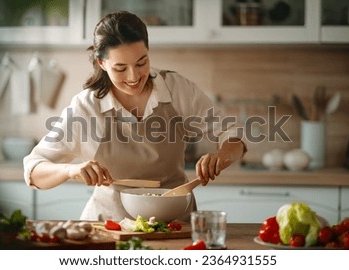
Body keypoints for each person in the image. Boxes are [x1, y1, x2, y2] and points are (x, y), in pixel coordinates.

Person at [23, 11, 246, 221]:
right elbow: (33, 170)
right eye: (120, 68)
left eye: (142, 63)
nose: (133, 77)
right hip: (110, 227)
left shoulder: (176, 89)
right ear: (102, 63)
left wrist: (222, 155)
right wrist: (70, 170)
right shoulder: (87, 107)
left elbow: (234, 135)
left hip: (175, 224)